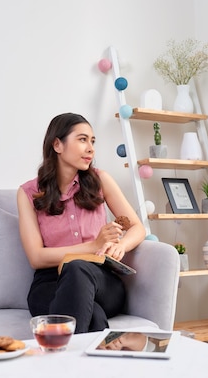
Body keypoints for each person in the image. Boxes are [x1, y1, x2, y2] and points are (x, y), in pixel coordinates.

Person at [17, 113, 145, 333]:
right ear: (57, 144)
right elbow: (36, 258)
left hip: (101, 280)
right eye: (82, 139)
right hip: (50, 283)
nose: (91, 148)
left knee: (77, 268)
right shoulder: (28, 193)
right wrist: (93, 246)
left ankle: (60, 361)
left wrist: (120, 246)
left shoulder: (100, 180)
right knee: (93, 315)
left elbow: (137, 227)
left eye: (92, 141)